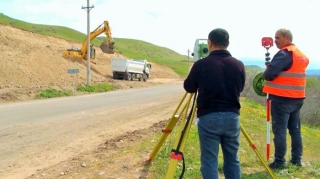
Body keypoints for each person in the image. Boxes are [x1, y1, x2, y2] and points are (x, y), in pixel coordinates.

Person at [184, 28, 246, 179]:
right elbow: (241, 88)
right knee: (232, 159)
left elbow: (189, 87)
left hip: (208, 116)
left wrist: (191, 71)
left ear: (209, 43)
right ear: (228, 43)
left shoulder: (201, 65)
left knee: (209, 160)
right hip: (232, 117)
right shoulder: (238, 65)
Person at [263, 28, 309, 169]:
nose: (275, 40)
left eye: (278, 38)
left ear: (287, 38)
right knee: (295, 130)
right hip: (297, 99)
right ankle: (296, 160)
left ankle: (279, 162)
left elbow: (269, 74)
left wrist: (267, 70)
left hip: (282, 99)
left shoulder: (284, 54)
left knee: (280, 131)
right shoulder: (300, 54)